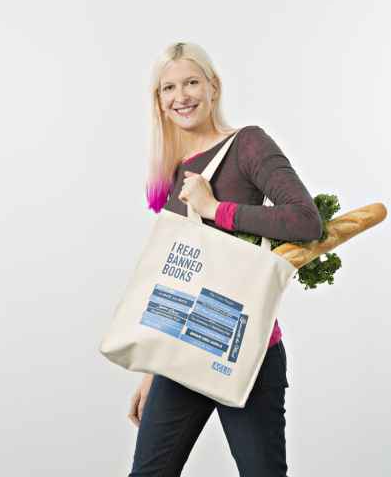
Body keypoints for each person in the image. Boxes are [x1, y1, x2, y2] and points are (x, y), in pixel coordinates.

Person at [127, 42, 323, 477]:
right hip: (181, 354)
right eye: (169, 88)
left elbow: (307, 221)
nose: (182, 96)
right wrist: (152, 372)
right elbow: (177, 280)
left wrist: (217, 209)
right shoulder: (174, 171)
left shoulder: (248, 144)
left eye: (192, 82)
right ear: (158, 101)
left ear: (213, 87)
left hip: (248, 352)